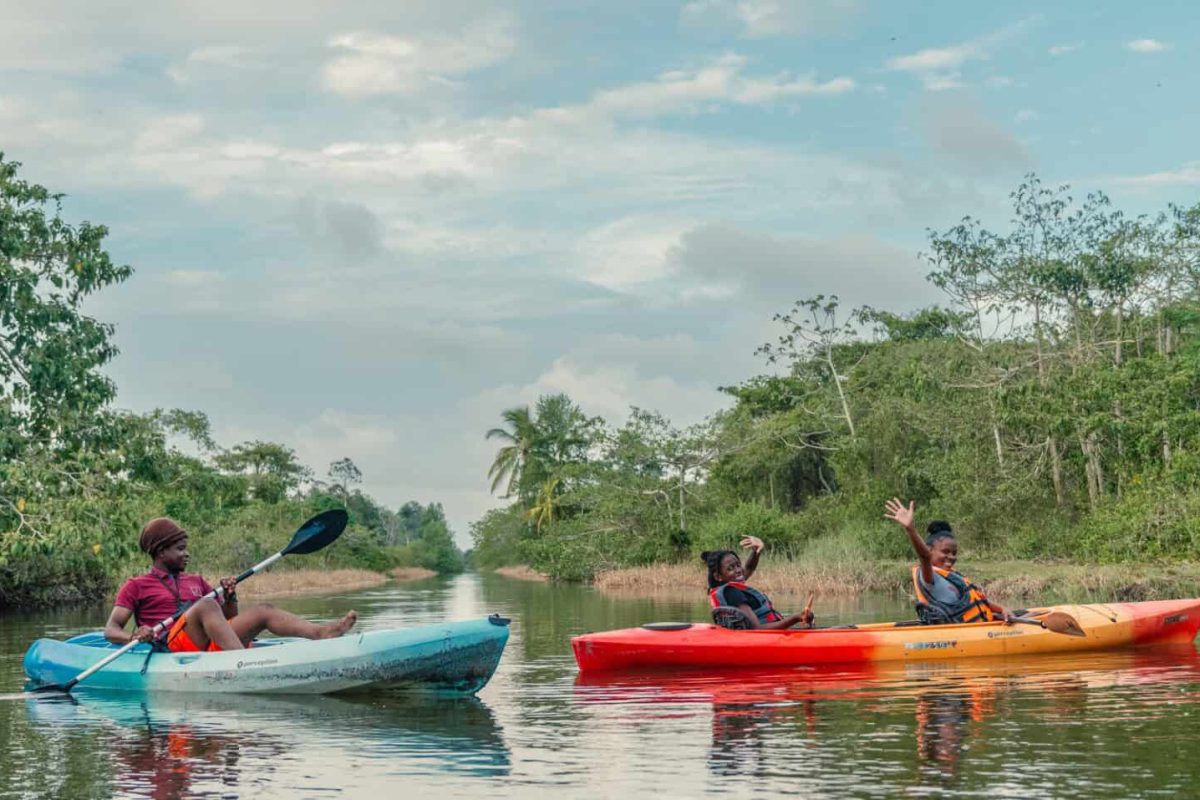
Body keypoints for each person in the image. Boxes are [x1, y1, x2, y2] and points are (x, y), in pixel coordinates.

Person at [103, 517, 358, 652]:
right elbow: (111, 630)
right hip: (170, 644)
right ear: (160, 552)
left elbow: (226, 621)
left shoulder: (196, 581)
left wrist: (230, 597)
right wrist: (134, 635)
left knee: (263, 610)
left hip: (208, 642)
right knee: (205, 605)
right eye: (180, 549)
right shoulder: (136, 585)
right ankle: (243, 665)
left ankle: (320, 633)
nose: (187, 554)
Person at [883, 498, 1011, 625]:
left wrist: (1003, 609)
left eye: (954, 553)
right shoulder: (928, 577)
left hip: (982, 625)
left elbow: (981, 601)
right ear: (930, 550)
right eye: (945, 552)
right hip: (962, 635)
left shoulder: (952, 575)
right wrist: (911, 530)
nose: (951, 557)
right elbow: (924, 557)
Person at [701, 535, 815, 630]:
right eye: (730, 568)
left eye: (738, 565)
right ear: (718, 576)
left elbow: (748, 568)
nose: (738, 570)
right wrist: (796, 618)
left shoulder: (729, 587)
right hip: (765, 638)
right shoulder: (732, 593)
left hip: (771, 635)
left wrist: (756, 551)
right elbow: (756, 629)